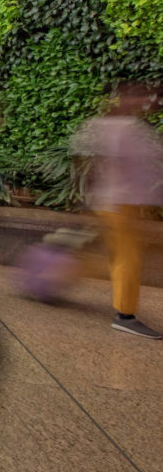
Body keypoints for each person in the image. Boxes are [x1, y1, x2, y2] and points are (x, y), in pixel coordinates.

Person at [72, 80, 163, 339]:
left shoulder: (124, 126)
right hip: (117, 204)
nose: (145, 102)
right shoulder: (123, 128)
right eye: (137, 96)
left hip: (120, 204)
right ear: (123, 98)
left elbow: (87, 159)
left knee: (112, 256)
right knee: (127, 258)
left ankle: (52, 278)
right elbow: (94, 161)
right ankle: (125, 315)